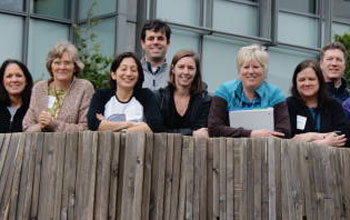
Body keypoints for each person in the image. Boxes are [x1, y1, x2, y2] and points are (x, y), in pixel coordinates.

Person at [208, 44, 290, 138]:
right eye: (246, 67)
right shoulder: (224, 91)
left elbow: (284, 131)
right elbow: (214, 128)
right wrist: (251, 134)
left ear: (264, 70)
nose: (251, 71)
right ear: (239, 71)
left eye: (256, 67)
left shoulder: (275, 94)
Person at [23, 41, 94, 132]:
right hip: (39, 145)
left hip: (71, 145)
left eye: (67, 63)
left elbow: (86, 128)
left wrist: (54, 124)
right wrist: (40, 126)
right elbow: (26, 127)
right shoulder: (39, 88)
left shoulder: (84, 87)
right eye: (57, 63)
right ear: (50, 66)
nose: (62, 67)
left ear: (75, 67)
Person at [87, 52, 164, 132]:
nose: (128, 74)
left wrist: (108, 125)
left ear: (138, 75)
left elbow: (156, 126)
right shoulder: (102, 95)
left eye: (133, 70)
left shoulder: (146, 95)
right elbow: (93, 124)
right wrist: (129, 124)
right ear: (113, 74)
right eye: (123, 69)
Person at [287, 59, 348, 147]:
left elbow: (344, 135)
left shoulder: (334, 105)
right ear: (295, 83)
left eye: (311, 79)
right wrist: (324, 141)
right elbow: (287, 139)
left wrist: (310, 137)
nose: (307, 83)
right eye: (302, 80)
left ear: (320, 81)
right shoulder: (288, 105)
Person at [155, 50, 211, 137]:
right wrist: (191, 133)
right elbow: (158, 131)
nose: (186, 72)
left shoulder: (205, 100)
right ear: (173, 69)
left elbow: (201, 132)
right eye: (181, 67)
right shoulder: (159, 98)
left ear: (196, 72)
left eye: (190, 68)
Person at [0, 59, 33, 133]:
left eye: (19, 76)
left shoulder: (34, 107)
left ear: (26, 80)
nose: (14, 80)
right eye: (9, 76)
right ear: (2, 81)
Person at [140, 19, 171, 90]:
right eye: (151, 39)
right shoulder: (132, 73)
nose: (155, 42)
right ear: (143, 43)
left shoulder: (175, 74)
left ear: (168, 43)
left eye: (160, 38)